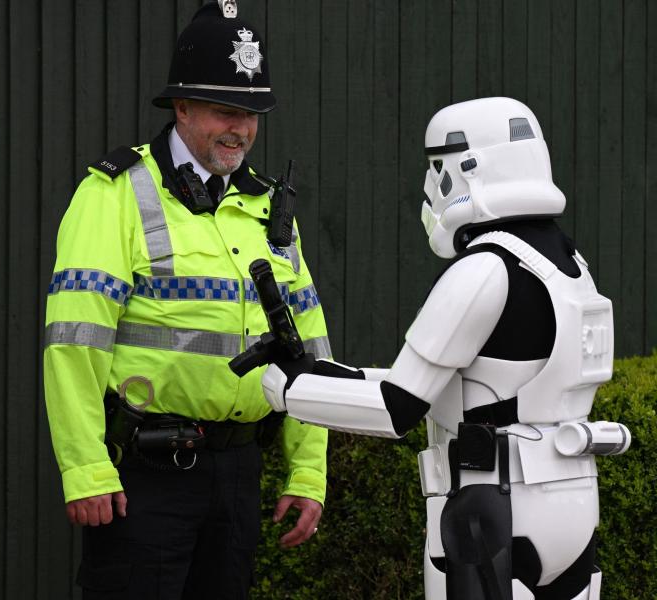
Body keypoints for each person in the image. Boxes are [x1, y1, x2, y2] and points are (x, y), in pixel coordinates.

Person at [260, 97, 631, 600]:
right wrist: (323, 373)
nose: (431, 188)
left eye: (438, 169)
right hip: (570, 507)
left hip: (492, 508)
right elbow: (471, 384)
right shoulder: (568, 262)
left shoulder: (484, 268)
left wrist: (290, 391)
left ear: (468, 169)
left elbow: (397, 408)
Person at [43, 2, 332, 598]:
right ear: (182, 106)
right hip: (145, 478)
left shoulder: (268, 206)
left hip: (238, 474)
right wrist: (85, 467)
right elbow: (75, 343)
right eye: (227, 110)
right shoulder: (114, 194)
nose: (243, 128)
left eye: (253, 113)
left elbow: (308, 346)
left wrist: (308, 469)